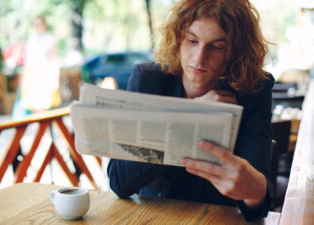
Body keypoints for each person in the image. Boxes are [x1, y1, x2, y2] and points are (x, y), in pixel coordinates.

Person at [107, 0, 274, 222]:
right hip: (156, 217)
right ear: (178, 38)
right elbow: (119, 181)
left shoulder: (253, 89)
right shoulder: (149, 80)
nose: (199, 57)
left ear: (236, 53)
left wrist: (255, 192)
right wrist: (188, 116)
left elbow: (257, 205)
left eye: (216, 46)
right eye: (192, 40)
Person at [16, 15, 60, 115]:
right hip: (31, 76)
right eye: (35, 24)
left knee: (43, 108)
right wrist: (22, 76)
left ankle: (44, 130)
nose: (38, 26)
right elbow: (27, 60)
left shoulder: (50, 38)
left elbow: (54, 59)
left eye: (39, 24)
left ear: (45, 24)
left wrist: (55, 79)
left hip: (44, 75)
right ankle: (38, 130)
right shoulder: (31, 38)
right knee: (33, 107)